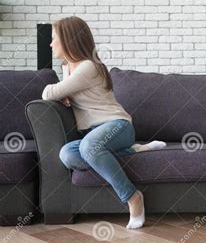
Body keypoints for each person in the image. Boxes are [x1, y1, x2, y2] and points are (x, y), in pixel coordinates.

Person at [42, 16, 166, 229]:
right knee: (68, 154)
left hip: (118, 126)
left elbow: (49, 93)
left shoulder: (88, 67)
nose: (50, 43)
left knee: (90, 146)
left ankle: (132, 197)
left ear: (69, 40)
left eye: (55, 39)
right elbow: (60, 93)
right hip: (93, 134)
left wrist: (60, 92)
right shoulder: (68, 68)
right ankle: (136, 150)